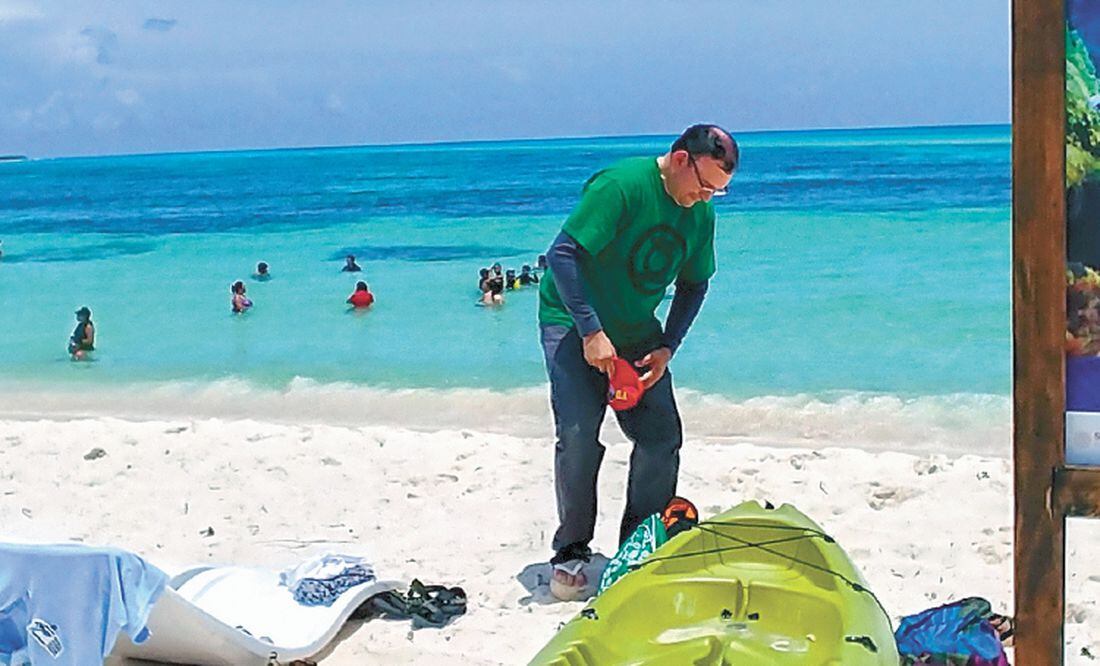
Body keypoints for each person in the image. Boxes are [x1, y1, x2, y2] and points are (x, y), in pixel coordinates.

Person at [537, 124, 737, 599]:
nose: (706, 197)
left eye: (718, 192)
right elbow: (561, 256)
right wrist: (591, 331)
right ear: (681, 159)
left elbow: (695, 283)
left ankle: (639, 545)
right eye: (704, 185)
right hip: (572, 319)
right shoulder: (621, 187)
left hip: (637, 329)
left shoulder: (700, 213)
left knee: (661, 437)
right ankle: (572, 548)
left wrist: (668, 345)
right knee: (580, 434)